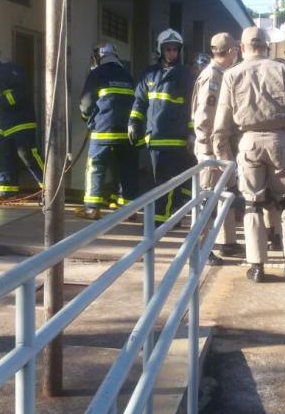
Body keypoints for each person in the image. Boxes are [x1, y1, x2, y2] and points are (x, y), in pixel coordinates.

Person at [213, 26, 285, 283]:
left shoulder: (232, 74)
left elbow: (221, 121)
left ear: (242, 48)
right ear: (266, 45)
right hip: (279, 140)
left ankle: (257, 266)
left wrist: (223, 153)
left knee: (252, 205)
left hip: (248, 143)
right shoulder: (281, 69)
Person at [128, 28, 196, 227]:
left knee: (170, 183)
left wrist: (192, 133)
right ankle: (164, 220)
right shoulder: (149, 74)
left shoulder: (186, 75)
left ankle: (160, 223)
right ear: (160, 50)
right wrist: (133, 123)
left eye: (175, 50)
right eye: (168, 49)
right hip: (153, 139)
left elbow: (192, 106)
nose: (172, 53)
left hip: (176, 140)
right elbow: (139, 102)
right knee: (154, 182)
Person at [192, 32, 244, 261]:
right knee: (208, 200)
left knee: (227, 194)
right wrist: (208, 148)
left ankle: (227, 241)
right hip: (212, 146)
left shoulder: (222, 74)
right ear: (231, 50)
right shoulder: (213, 77)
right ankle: (200, 247)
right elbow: (204, 117)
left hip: (221, 144)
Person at [76, 43, 139, 219]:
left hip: (103, 131)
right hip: (126, 134)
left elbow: (86, 103)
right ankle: (128, 211)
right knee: (126, 169)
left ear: (98, 57)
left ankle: (92, 209)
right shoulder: (127, 75)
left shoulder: (96, 74)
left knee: (95, 167)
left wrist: (88, 119)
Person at [0, 40, 45, 201]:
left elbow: (21, 91)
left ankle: (49, 187)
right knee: (4, 155)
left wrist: (2, 102)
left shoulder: (12, 69)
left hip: (22, 120)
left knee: (28, 155)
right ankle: (6, 190)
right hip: (5, 122)